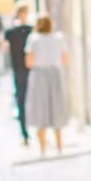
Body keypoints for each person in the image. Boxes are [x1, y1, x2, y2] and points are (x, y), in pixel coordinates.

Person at [22, 14, 68, 154]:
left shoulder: (33, 39)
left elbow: (28, 62)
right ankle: (59, 146)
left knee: (40, 109)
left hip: (39, 75)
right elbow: (65, 60)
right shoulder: (59, 38)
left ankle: (42, 148)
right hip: (55, 74)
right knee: (56, 107)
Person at [2, 5, 33, 143]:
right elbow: (3, 46)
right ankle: (24, 132)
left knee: (29, 99)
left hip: (30, 69)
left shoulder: (30, 29)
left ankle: (31, 130)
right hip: (19, 69)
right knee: (21, 98)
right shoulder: (12, 31)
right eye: (23, 12)